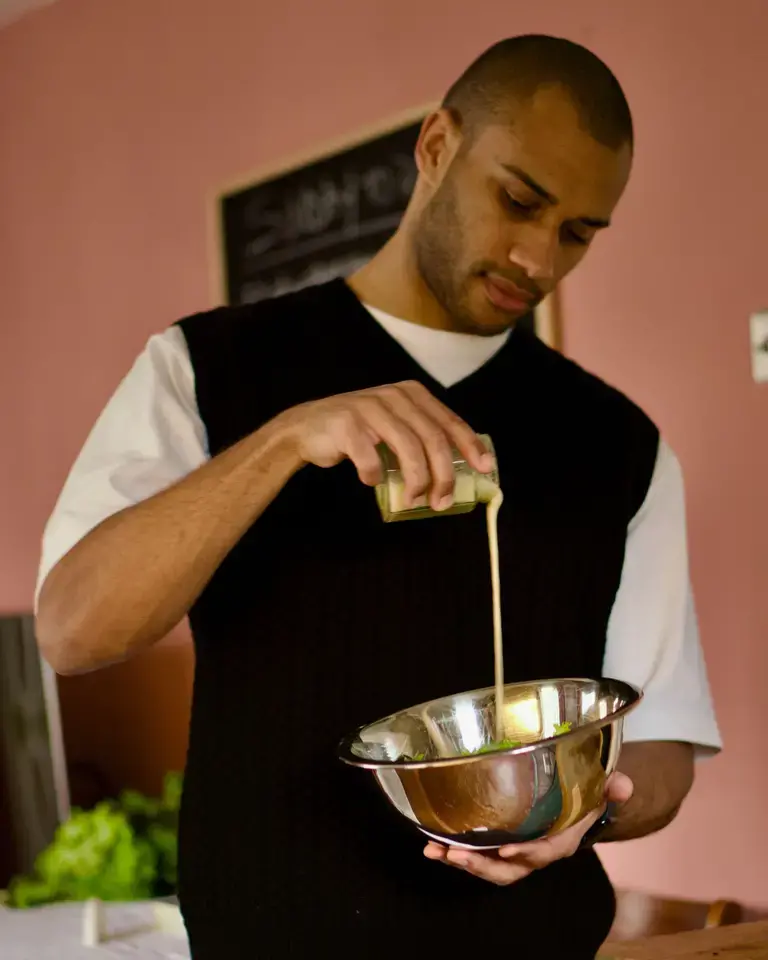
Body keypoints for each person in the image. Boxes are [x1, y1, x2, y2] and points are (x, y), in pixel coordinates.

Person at [36, 34, 720, 959]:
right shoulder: (203, 368)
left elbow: (665, 749)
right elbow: (72, 631)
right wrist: (282, 441)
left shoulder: (622, 446)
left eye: (577, 233)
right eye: (519, 200)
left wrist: (585, 814)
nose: (537, 256)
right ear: (436, 145)